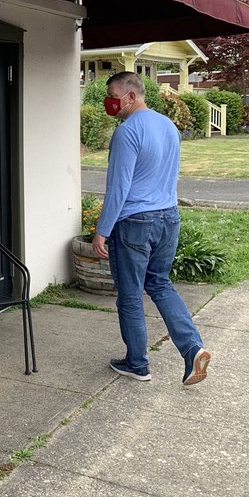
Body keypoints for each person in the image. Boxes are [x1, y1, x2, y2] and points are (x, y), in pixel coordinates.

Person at [92, 72, 211, 385]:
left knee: (130, 295)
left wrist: (102, 230)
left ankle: (137, 364)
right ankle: (192, 348)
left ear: (132, 96)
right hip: (168, 217)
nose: (110, 102)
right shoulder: (168, 126)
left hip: (135, 223)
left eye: (114, 95)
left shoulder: (127, 132)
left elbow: (119, 187)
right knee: (159, 283)